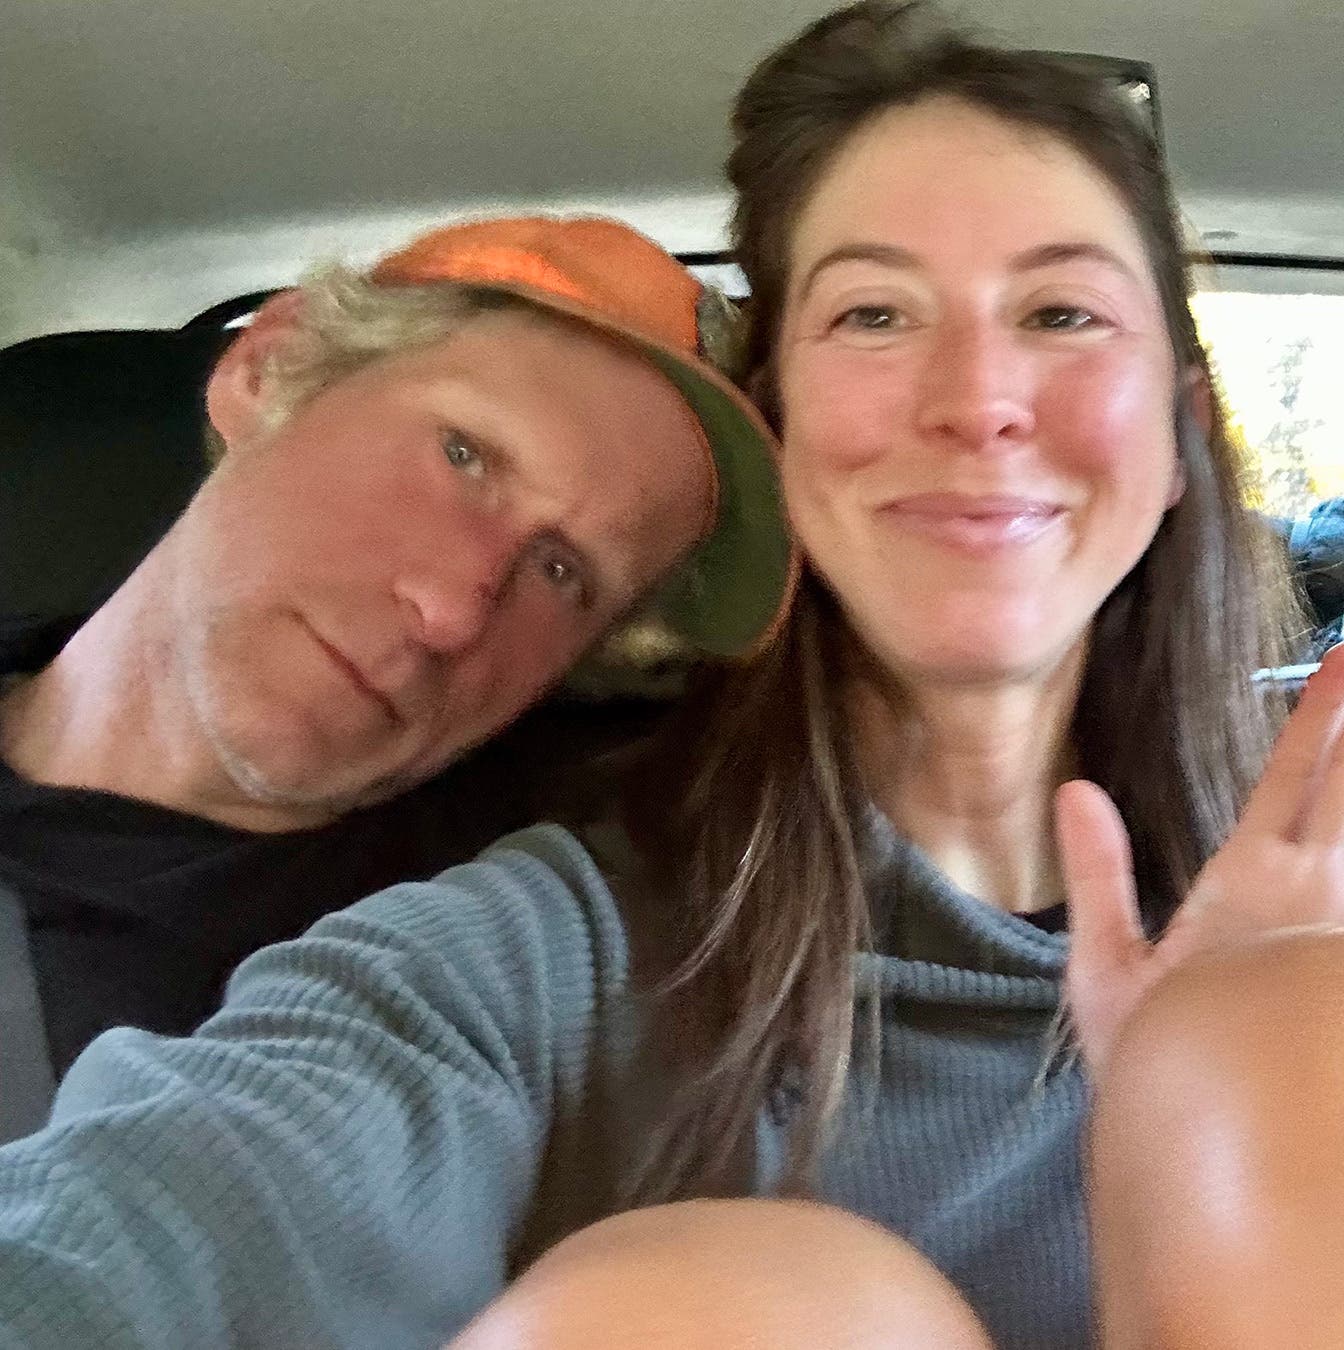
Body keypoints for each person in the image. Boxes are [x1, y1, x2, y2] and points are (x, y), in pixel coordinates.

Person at [0, 11, 1344, 1348]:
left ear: (1182, 435)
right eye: (876, 317)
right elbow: (173, 1208)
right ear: (795, 441)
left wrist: (1303, 1100)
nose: (978, 397)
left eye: (1061, 315)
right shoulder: (546, 941)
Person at [0, 215, 793, 1093]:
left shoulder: (478, 992)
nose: (455, 612)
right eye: (465, 456)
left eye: (563, 572)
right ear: (269, 370)